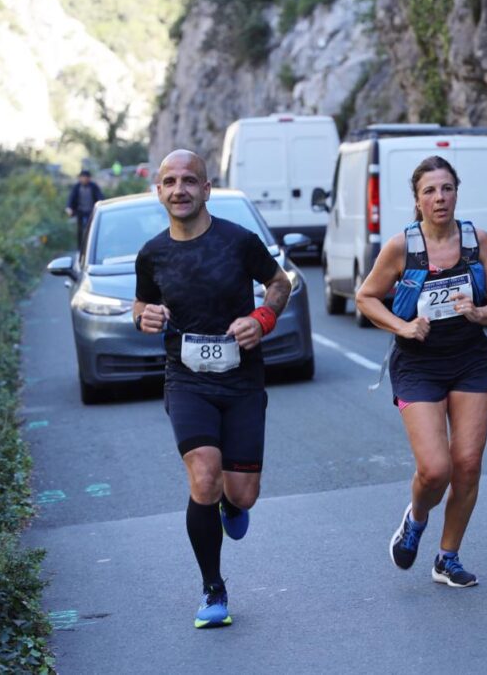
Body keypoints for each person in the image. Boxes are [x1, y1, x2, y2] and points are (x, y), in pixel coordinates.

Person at [133, 149, 291, 628]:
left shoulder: (238, 241)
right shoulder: (152, 254)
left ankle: (230, 503)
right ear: (158, 191)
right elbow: (140, 305)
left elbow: (279, 283)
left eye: (189, 181)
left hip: (242, 380)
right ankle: (213, 588)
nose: (178, 190)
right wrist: (144, 316)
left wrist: (261, 319)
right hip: (187, 381)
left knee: (242, 495)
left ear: (206, 189)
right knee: (204, 474)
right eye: (169, 182)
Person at [356, 155, 487, 588]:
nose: (440, 197)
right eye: (430, 190)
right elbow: (366, 297)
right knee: (435, 469)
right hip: (418, 364)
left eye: (447, 188)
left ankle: (447, 558)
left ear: (456, 193)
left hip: (470, 359)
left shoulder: (476, 240)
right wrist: (403, 326)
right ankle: (416, 517)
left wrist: (479, 312)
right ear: (417, 199)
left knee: (467, 464)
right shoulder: (401, 247)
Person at [65, 169, 104, 252]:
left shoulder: (93, 187)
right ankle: (80, 248)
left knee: (93, 228)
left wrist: (101, 205)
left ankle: (92, 246)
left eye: (86, 177)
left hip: (92, 212)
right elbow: (71, 198)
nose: (84, 179)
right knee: (80, 230)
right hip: (81, 212)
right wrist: (69, 208)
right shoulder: (77, 187)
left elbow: (100, 197)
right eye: (82, 177)